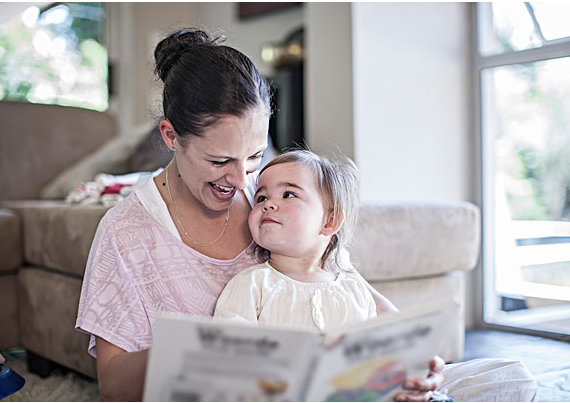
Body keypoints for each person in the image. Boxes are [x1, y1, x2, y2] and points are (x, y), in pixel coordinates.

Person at [75, 28, 536, 402]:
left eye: (254, 155)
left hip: (340, 390)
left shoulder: (274, 197)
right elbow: (113, 384)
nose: (241, 181)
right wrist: (198, 351)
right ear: (171, 136)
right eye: (219, 162)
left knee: (508, 379)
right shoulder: (126, 231)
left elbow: (355, 294)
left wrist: (412, 366)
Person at [214, 150, 399, 331]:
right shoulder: (251, 285)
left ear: (330, 221)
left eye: (288, 194)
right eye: (261, 198)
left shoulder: (354, 290)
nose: (268, 204)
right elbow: (230, 349)